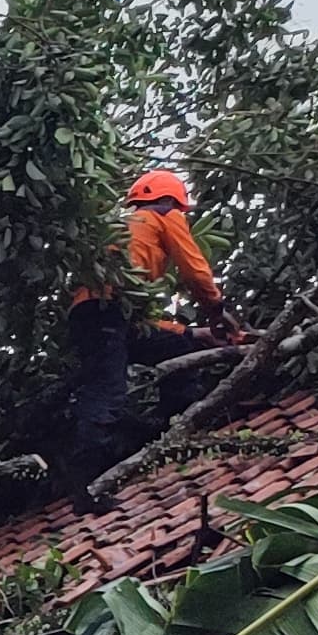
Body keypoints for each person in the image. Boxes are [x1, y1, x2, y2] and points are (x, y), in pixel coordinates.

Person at [67, 167, 242, 472]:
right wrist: (217, 309)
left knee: (177, 346)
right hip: (106, 311)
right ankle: (86, 480)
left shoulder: (123, 227)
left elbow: (137, 324)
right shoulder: (163, 215)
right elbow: (194, 270)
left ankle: (171, 427)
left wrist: (195, 333)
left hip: (99, 313)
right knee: (107, 391)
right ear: (173, 200)